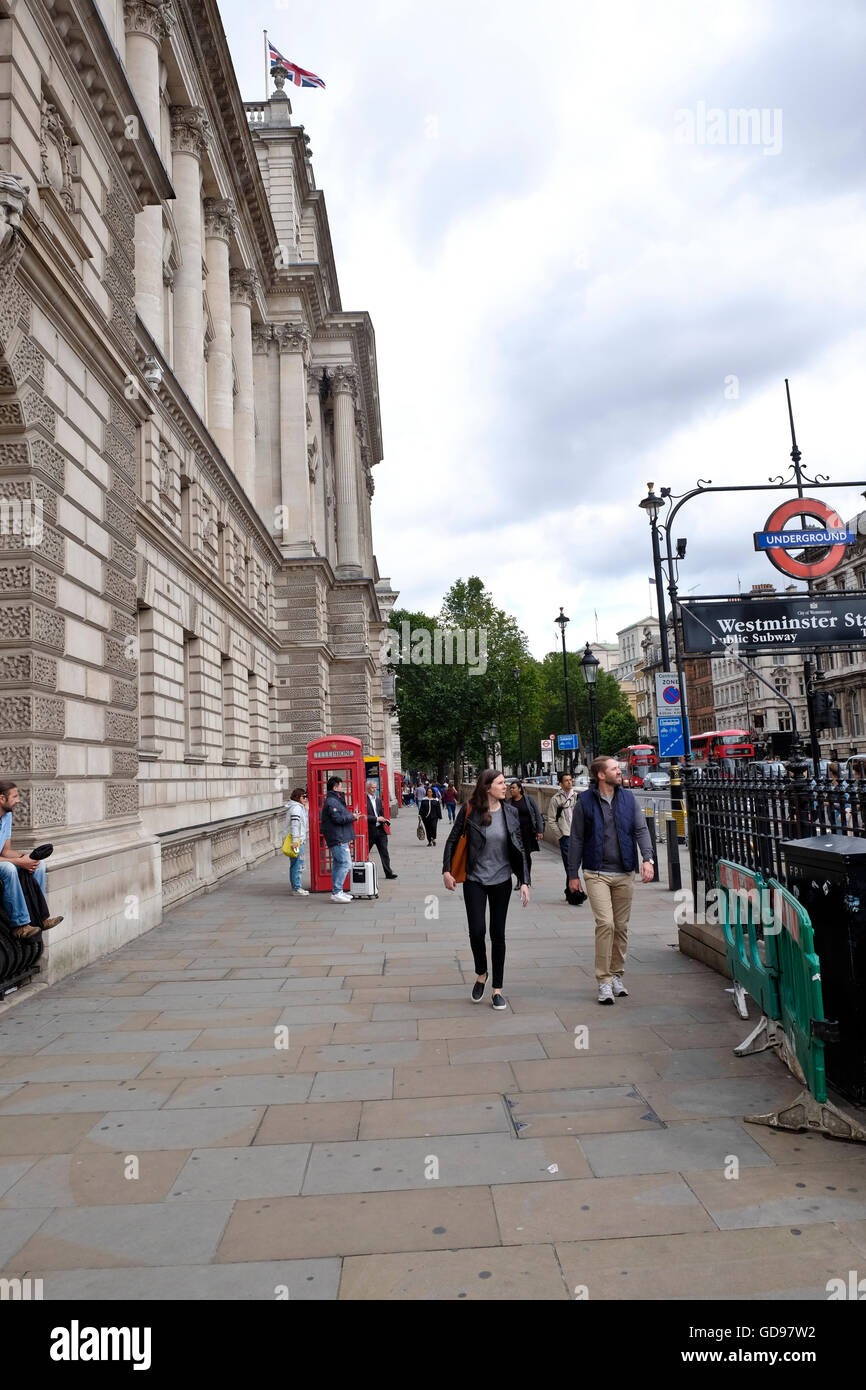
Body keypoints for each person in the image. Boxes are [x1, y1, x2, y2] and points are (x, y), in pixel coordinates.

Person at [567, 756, 655, 1005]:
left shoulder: (628, 798)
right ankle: (604, 981)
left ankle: (617, 975)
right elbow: (576, 839)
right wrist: (573, 874)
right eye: (615, 768)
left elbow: (640, 829)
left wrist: (647, 858)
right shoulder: (585, 801)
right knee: (606, 924)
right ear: (601, 775)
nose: (621, 771)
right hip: (596, 873)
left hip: (625, 871)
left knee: (621, 926)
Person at [442, 769, 530, 1010]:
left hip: (501, 881)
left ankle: (497, 989)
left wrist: (524, 881)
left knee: (497, 934)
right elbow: (452, 839)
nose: (506, 787)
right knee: (476, 932)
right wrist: (446, 870)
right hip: (475, 880)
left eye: (505, 783)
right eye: (501, 783)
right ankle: (482, 973)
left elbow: (519, 848)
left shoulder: (510, 813)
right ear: (487, 786)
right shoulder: (470, 810)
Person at [0, 780, 64, 939]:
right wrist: (19, 862)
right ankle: (20, 925)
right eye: (14, 796)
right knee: (9, 868)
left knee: (39, 864)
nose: (18, 800)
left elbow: (5, 850)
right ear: (2, 798)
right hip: (3, 866)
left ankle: (39, 918)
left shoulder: (7, 816)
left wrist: (27, 857)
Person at [321, 775, 362, 903]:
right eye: (340, 785)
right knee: (345, 863)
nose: (342, 788)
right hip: (337, 837)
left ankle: (337, 891)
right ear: (335, 787)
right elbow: (338, 819)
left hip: (340, 836)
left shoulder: (335, 800)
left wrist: (351, 816)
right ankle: (337, 891)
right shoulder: (332, 802)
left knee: (338, 864)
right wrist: (353, 817)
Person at [547, 770, 578, 897]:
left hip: (577, 835)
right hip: (565, 836)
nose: (569, 782)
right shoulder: (556, 799)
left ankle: (569, 889)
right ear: (560, 783)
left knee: (575, 864)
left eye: (571, 780)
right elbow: (551, 819)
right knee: (569, 864)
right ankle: (573, 892)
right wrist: (560, 835)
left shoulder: (577, 796)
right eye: (566, 780)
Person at [508, 780, 545, 886]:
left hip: (528, 832)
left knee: (526, 856)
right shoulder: (509, 802)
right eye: (510, 788)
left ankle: (526, 878)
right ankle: (521, 879)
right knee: (518, 856)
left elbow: (537, 814)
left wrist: (539, 830)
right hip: (516, 834)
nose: (511, 790)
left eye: (513, 788)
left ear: (520, 789)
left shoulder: (529, 799)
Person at [366, 779, 397, 879]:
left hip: (380, 830)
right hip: (369, 831)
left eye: (375, 787)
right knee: (364, 853)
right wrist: (376, 818)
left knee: (384, 852)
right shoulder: (364, 800)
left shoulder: (378, 800)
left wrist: (384, 820)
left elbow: (380, 814)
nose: (374, 790)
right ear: (367, 788)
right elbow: (363, 816)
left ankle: (388, 873)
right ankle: (360, 872)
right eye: (372, 788)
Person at [284, 788, 310, 895]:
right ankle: (296, 888)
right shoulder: (296, 809)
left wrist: (306, 809)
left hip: (299, 839)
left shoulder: (299, 807)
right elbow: (295, 825)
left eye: (306, 796)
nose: (305, 798)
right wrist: (295, 841)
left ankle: (296, 887)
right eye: (303, 797)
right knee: (297, 864)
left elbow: (303, 822)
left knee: (296, 863)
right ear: (297, 797)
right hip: (297, 840)